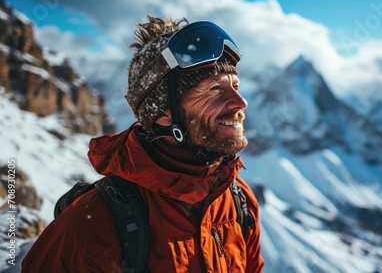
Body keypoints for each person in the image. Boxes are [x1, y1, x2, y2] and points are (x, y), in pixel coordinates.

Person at [22, 16, 264, 272]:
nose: (240, 102)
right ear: (164, 112)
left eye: (236, 85)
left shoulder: (238, 200)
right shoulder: (91, 225)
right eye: (215, 89)